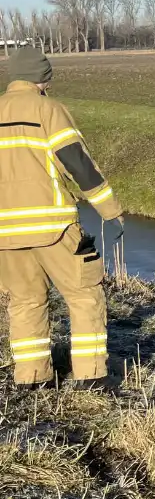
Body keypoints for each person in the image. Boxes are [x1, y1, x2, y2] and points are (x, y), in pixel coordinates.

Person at [0, 47, 124, 390]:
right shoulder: (48, 110)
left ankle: (32, 378)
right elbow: (78, 164)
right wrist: (110, 210)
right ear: (43, 79)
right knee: (85, 294)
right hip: (53, 227)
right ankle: (91, 376)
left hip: (4, 234)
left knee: (24, 301)